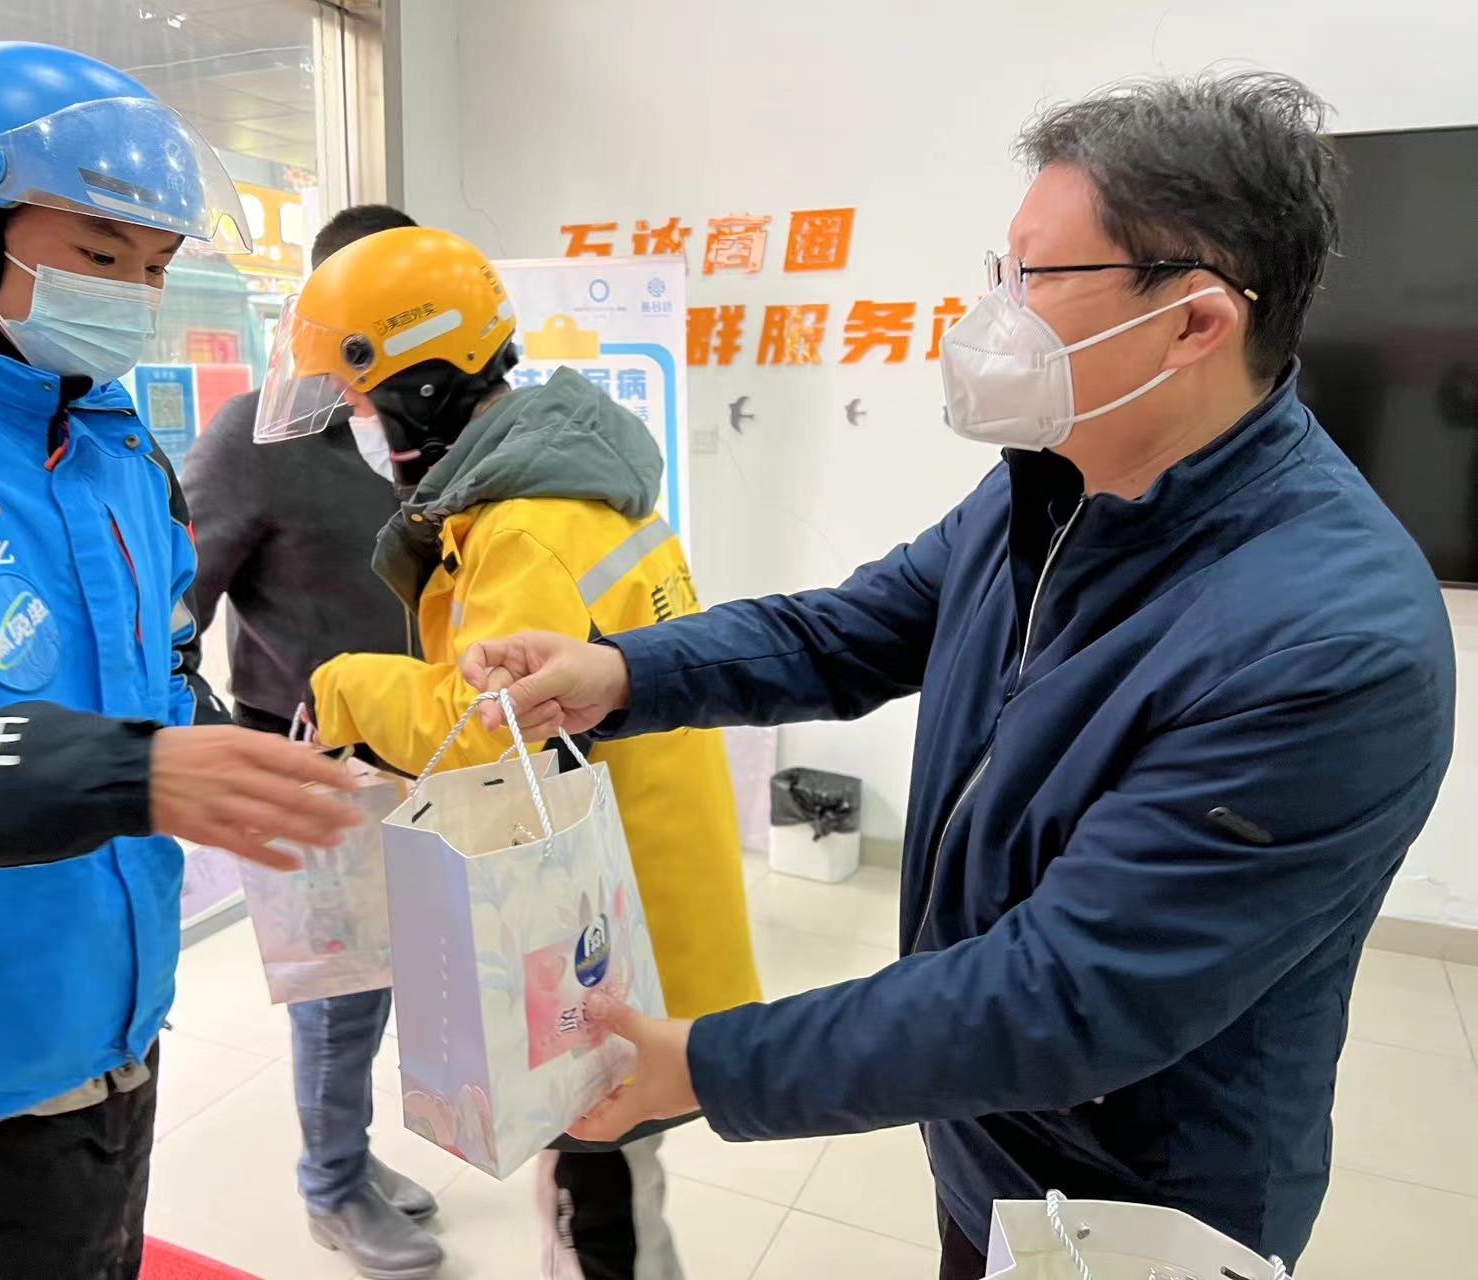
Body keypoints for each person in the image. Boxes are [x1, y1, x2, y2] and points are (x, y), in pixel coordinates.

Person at [460, 73, 1457, 1277]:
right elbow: (852, 629)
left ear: (1195, 322)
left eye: (1036, 278)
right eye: (1003, 268)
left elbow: (1065, 997)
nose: (996, 313)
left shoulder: (1332, 644)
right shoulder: (1050, 485)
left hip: (1141, 1206)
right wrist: (624, 670)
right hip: (989, 1133)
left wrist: (708, 1064)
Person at [0, 42, 357, 1280]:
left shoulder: (113, 443)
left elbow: (160, 671)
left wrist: (249, 753)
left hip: (115, 1014)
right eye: (99, 253)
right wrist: (133, 771)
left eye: (157, 266)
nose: (135, 295)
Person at [258, 226, 763, 1279]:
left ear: (420, 386)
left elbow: (485, 726)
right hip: (640, 890)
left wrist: (344, 686)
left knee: (603, 1207)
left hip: (607, 930)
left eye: (356, 399)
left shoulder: (523, 524)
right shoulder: (573, 485)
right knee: (605, 1179)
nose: (354, 425)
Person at [183, 203, 443, 1279]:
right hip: (311, 765)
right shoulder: (258, 437)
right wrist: (223, 754)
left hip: (428, 757)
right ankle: (330, 1187)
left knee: (394, 982)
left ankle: (353, 1155)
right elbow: (168, 609)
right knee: (338, 996)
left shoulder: (434, 434)